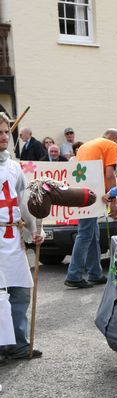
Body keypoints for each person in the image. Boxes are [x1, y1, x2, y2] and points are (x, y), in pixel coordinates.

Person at [0, 112, 45, 362]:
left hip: (13, 239)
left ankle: (17, 344)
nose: (4, 137)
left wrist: (35, 231)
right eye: (0, 132)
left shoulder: (14, 167)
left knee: (20, 292)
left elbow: (23, 202)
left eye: (7, 132)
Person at [64, 129, 117, 289]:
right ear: (114, 139)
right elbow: (109, 174)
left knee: (92, 232)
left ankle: (95, 273)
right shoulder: (111, 145)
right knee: (86, 233)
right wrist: (112, 199)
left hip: (81, 192)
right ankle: (73, 275)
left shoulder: (85, 146)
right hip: (93, 194)